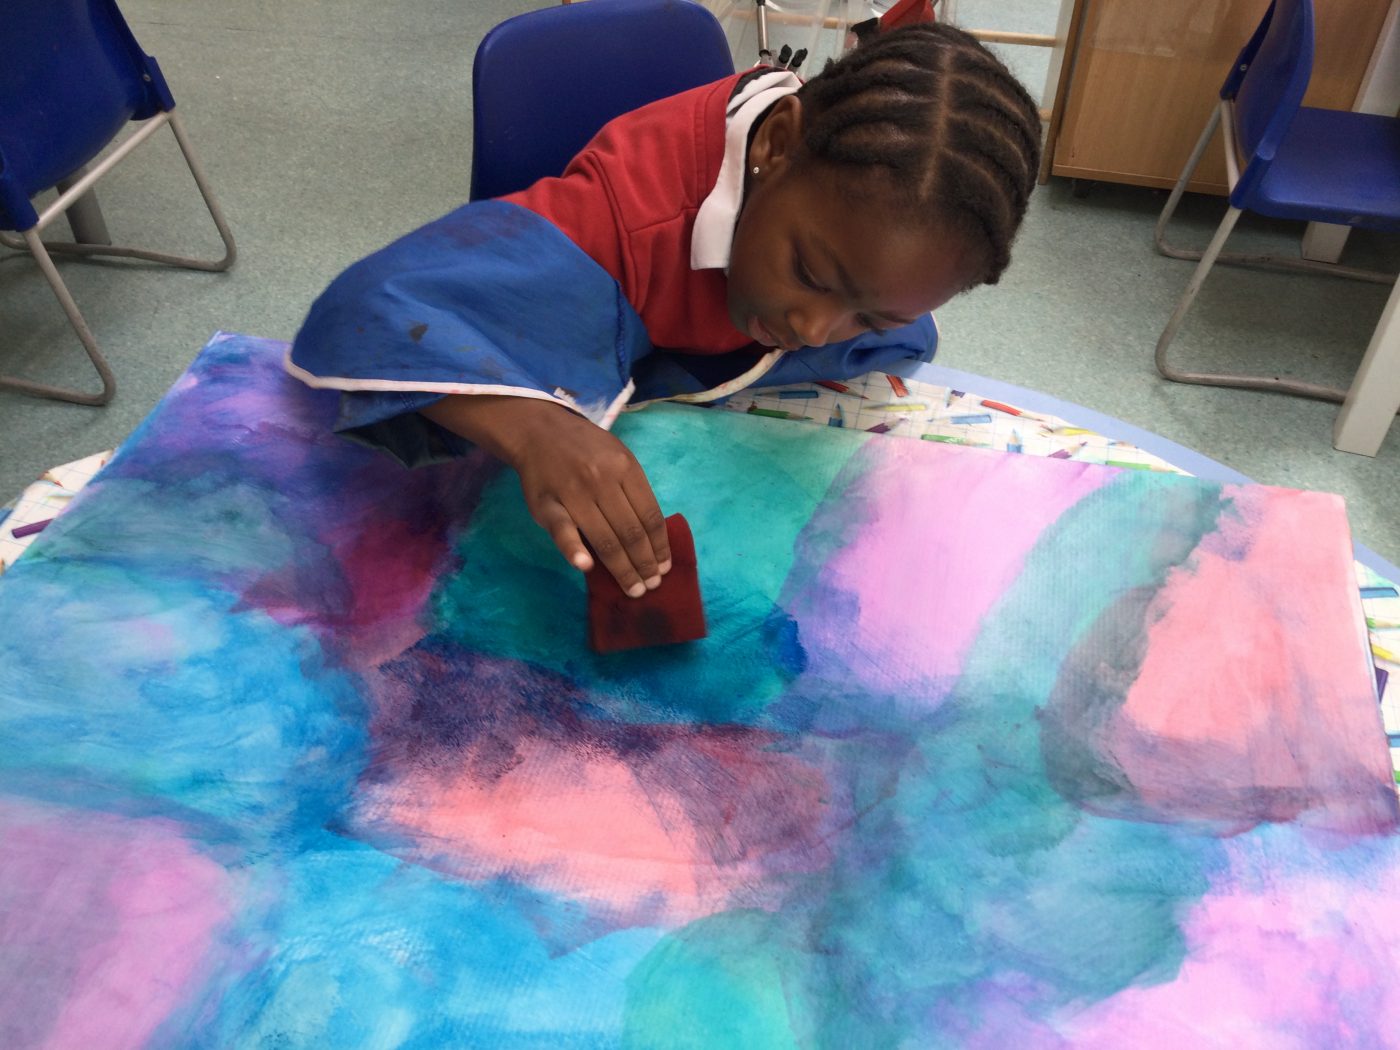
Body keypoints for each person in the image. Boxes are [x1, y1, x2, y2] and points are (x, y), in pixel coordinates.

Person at [287, 23, 1041, 599]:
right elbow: (363, 311)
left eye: (867, 316)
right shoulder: (618, 223)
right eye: (810, 274)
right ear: (776, 144)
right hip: (588, 287)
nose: (814, 329)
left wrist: (865, 320)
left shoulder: (852, 237)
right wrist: (535, 429)